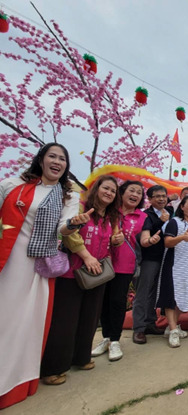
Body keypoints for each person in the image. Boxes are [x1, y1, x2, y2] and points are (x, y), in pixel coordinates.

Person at [0, 144, 84, 408]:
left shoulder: (68, 196)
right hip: (8, 259)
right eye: (52, 156)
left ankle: (15, 381)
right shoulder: (12, 185)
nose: (57, 161)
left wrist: (72, 225)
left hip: (39, 266)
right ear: (41, 160)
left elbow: (62, 227)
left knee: (29, 322)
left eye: (62, 158)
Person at [40, 175, 121, 386]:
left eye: (113, 191)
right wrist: (86, 257)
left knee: (90, 318)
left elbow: (109, 242)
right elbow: (69, 234)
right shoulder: (79, 208)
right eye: (106, 188)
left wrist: (116, 241)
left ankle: (81, 358)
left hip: (98, 273)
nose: (109, 193)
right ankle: (53, 368)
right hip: (73, 272)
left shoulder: (111, 217)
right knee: (65, 320)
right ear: (96, 189)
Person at [92, 180, 147, 362]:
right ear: (121, 193)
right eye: (132, 190)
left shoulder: (142, 217)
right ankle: (106, 338)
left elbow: (143, 239)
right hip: (103, 261)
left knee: (117, 301)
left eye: (139, 192)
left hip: (125, 264)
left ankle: (115, 340)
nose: (135, 195)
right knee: (103, 301)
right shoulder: (110, 211)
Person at [157, 195, 188, 348]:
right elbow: (167, 242)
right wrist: (181, 237)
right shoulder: (174, 222)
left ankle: (172, 326)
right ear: (182, 206)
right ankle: (174, 330)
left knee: (183, 296)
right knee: (171, 297)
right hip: (174, 265)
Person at [132, 185, 172, 345]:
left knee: (153, 293)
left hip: (163, 259)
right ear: (149, 199)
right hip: (149, 259)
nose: (161, 199)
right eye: (157, 196)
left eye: (164, 196)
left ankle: (150, 323)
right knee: (143, 293)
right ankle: (139, 329)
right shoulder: (146, 215)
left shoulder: (168, 212)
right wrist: (161, 223)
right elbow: (147, 236)